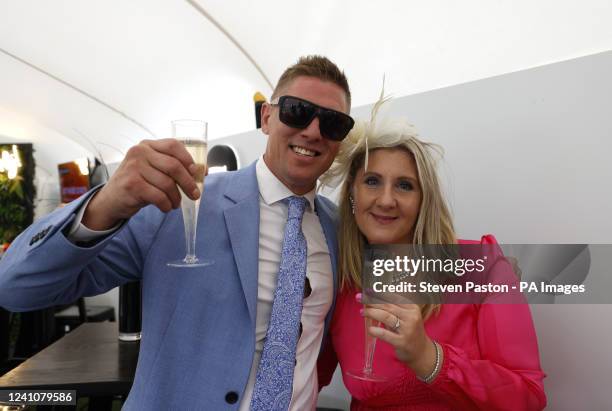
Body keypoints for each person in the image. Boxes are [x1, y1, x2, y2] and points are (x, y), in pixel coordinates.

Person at [0, 55, 355, 410]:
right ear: (266, 117)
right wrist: (103, 205)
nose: (313, 130)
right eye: (296, 110)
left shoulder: (338, 230)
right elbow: (14, 287)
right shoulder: (181, 201)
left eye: (333, 123)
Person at [317, 100, 547, 410]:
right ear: (352, 197)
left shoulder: (483, 268)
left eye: (404, 186)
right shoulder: (341, 280)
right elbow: (306, 374)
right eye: (372, 181)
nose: (386, 200)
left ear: (423, 200)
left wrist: (430, 358)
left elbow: (528, 398)